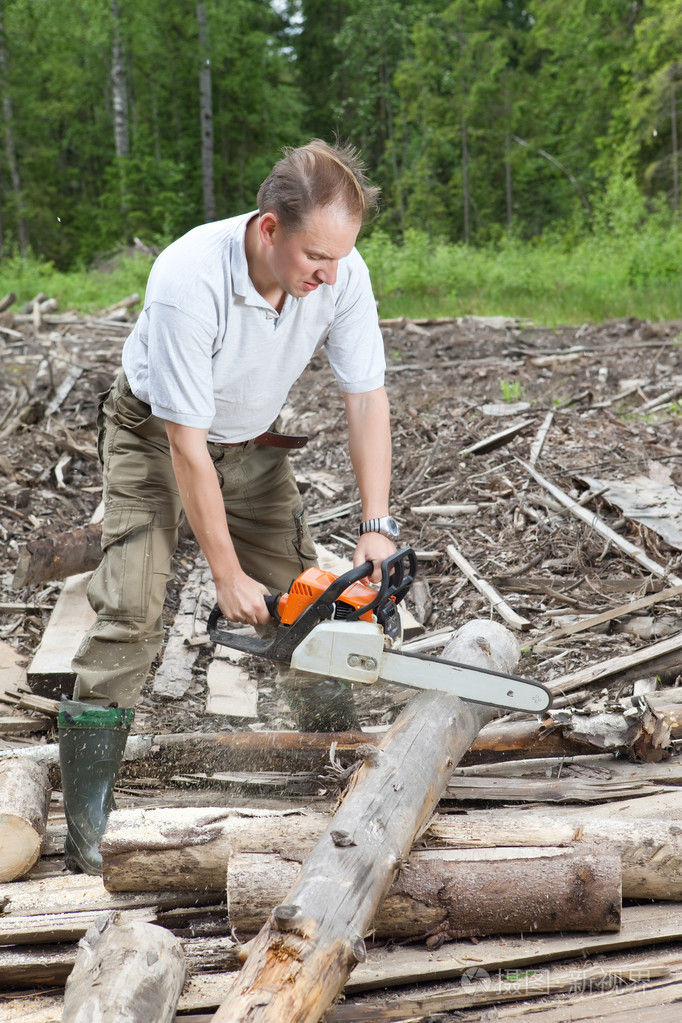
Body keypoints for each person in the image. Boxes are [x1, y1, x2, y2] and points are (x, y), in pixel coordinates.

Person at [58, 139, 401, 875]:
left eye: (341, 256)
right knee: (133, 607)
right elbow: (185, 446)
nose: (329, 274)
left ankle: (327, 753)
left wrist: (376, 528)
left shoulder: (340, 274)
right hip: (157, 437)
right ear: (269, 228)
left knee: (309, 599)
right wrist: (223, 573)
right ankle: (87, 820)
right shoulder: (189, 278)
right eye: (316, 255)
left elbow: (366, 396)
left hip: (252, 445)